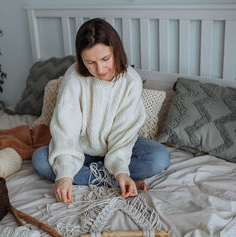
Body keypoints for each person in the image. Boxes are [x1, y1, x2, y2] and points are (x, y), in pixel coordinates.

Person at [32, 18, 170, 203]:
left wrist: (121, 170)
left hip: (119, 146)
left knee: (159, 158)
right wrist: (64, 174)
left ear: (116, 51)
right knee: (40, 160)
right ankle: (111, 180)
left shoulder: (131, 81)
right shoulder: (73, 77)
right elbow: (66, 130)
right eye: (90, 62)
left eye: (105, 59)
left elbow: (124, 135)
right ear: (81, 59)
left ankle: (108, 176)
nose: (100, 69)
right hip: (81, 149)